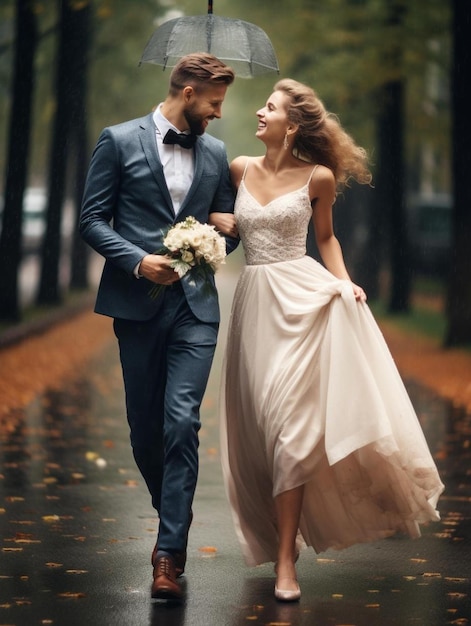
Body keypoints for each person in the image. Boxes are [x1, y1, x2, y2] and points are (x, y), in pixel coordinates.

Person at [212, 78, 444, 602]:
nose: (258, 112)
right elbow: (227, 228)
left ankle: (288, 563)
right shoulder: (238, 169)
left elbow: (325, 238)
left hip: (302, 302)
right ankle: (274, 538)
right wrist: (214, 218)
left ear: (291, 125)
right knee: (262, 432)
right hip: (254, 308)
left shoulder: (317, 177)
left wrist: (343, 282)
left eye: (268, 108)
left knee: (292, 433)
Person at [80, 53, 238, 602]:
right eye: (215, 103)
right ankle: (175, 506)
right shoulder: (118, 140)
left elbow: (227, 231)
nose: (219, 114)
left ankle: (169, 552)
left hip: (196, 309)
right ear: (189, 92)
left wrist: (223, 233)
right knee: (145, 429)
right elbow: (92, 219)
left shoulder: (216, 155)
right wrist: (136, 260)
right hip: (135, 303)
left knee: (181, 422)